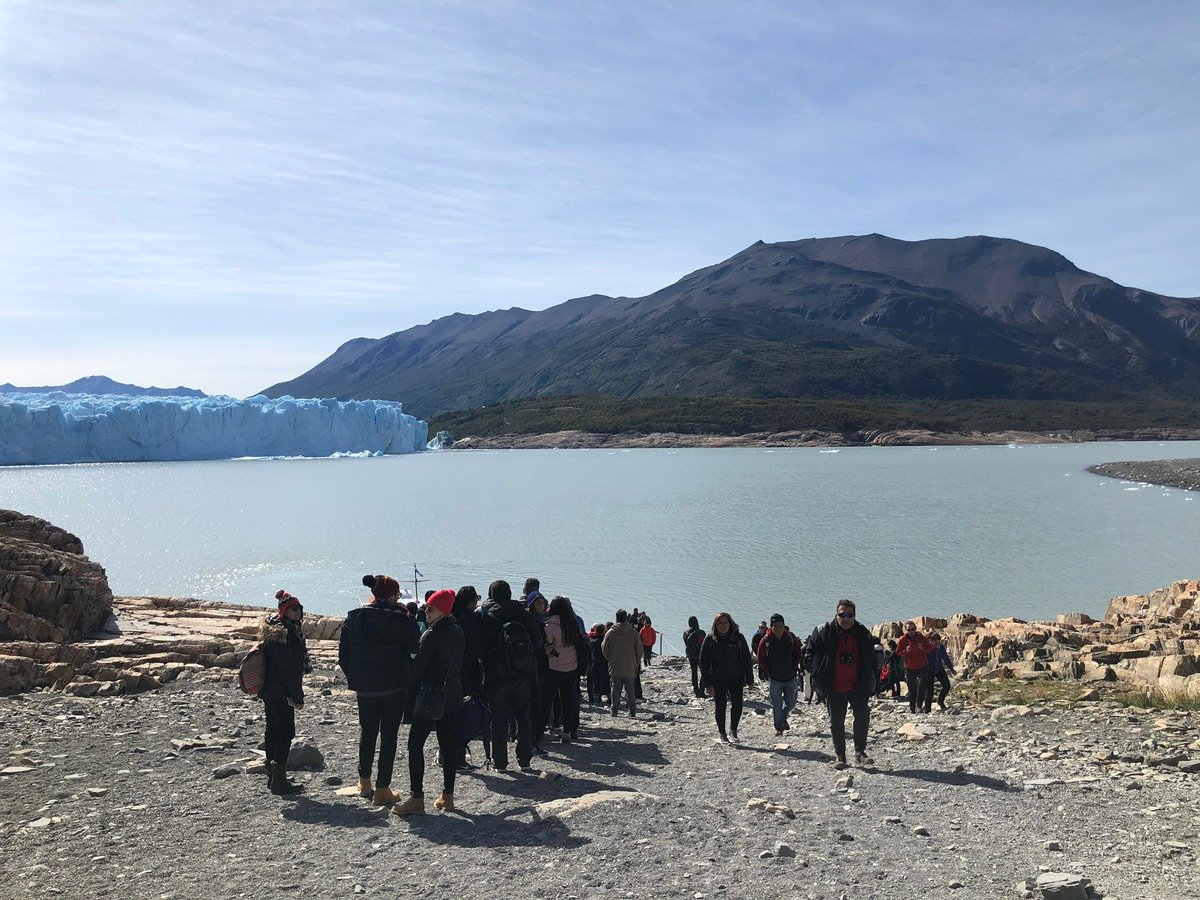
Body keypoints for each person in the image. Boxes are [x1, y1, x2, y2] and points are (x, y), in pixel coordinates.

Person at [338, 575, 420, 805]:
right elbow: (416, 644)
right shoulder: (399, 618)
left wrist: (356, 678)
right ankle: (382, 788)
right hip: (394, 686)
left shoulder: (354, 618)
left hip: (365, 688)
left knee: (368, 732)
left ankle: (364, 782)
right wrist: (409, 617)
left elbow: (343, 655)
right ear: (394, 596)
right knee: (389, 736)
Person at [394, 589, 464, 816]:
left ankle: (416, 798)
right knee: (448, 746)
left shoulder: (431, 635)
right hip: (452, 695)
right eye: (426, 607)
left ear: (442, 610)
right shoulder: (458, 632)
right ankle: (448, 796)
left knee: (415, 745)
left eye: (430, 608)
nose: (425, 611)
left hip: (430, 698)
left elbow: (417, 672)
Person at [808, 598, 877, 769]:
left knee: (862, 717)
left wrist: (872, 682)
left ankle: (860, 752)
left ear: (854, 615)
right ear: (836, 614)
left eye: (849, 615)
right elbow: (810, 654)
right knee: (836, 722)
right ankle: (840, 756)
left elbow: (871, 658)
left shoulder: (862, 632)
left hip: (858, 685)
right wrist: (817, 676)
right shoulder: (824, 631)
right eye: (842, 614)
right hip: (833, 686)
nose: (845, 618)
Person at [479, 579, 540, 772]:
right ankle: (525, 759)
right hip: (522, 675)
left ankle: (500, 762)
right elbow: (538, 641)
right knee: (523, 717)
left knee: (499, 719)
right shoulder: (524, 614)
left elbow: (482, 649)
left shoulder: (489, 617)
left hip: (497, 677)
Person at [260, 590, 312, 795]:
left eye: (299, 608)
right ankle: (279, 779)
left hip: (269, 689)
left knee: (273, 729)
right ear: (283, 611)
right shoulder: (286, 634)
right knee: (285, 731)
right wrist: (297, 697)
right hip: (280, 690)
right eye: (293, 608)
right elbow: (288, 670)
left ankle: (272, 775)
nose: (297, 611)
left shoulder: (275, 630)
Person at [698, 611, 754, 743]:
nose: (722, 626)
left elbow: (746, 659)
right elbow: (703, 662)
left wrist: (750, 679)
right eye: (719, 623)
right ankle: (722, 733)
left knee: (737, 705)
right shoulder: (710, 639)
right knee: (720, 706)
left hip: (736, 677)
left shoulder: (738, 638)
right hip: (717, 678)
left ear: (730, 624)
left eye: (725, 623)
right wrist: (708, 683)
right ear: (715, 625)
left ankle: (733, 731)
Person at [452, 585, 486, 768]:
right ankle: (457, 756)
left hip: (450, 673)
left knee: (451, 714)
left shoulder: (450, 618)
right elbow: (476, 648)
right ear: (470, 602)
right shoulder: (471, 621)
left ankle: (446, 754)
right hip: (467, 672)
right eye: (475, 600)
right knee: (464, 715)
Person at [755, 613, 804, 737]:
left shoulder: (791, 638)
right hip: (775, 679)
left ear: (784, 625)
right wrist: (769, 670)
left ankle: (782, 719)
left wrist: (794, 666)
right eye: (775, 626)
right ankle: (778, 727)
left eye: (780, 625)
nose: (778, 628)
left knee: (791, 703)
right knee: (776, 705)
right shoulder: (765, 641)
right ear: (771, 627)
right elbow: (761, 658)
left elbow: (798, 651)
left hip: (790, 677)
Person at [542, 595, 582, 743]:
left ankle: (540, 731)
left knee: (547, 699)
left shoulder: (550, 625)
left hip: (554, 667)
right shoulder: (573, 624)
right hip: (571, 667)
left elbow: (546, 647)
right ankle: (568, 731)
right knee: (568, 700)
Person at [601, 608, 642, 717]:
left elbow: (604, 649)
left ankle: (614, 709)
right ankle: (632, 710)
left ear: (616, 618)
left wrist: (610, 659)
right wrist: (636, 662)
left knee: (615, 687)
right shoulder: (633, 632)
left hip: (615, 664)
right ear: (626, 618)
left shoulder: (610, 633)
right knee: (630, 688)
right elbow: (639, 649)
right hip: (630, 664)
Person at [896, 620, 935, 713]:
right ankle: (912, 707)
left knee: (922, 685)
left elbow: (931, 648)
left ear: (916, 628)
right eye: (909, 630)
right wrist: (906, 651)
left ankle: (919, 705)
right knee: (912, 688)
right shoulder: (902, 639)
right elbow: (898, 652)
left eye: (912, 629)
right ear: (905, 630)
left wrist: (922, 648)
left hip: (922, 665)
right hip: (909, 667)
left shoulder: (921, 638)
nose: (911, 631)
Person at [923, 632, 958, 710]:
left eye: (938, 642)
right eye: (935, 642)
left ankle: (940, 701)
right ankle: (927, 709)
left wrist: (952, 669)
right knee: (929, 692)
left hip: (939, 669)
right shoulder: (927, 648)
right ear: (930, 641)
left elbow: (945, 658)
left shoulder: (941, 647)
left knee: (947, 685)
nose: (937, 644)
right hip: (929, 670)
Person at [586, 623, 610, 706]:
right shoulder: (604, 640)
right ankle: (609, 698)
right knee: (606, 680)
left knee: (594, 682)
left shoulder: (590, 639)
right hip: (603, 663)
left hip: (592, 664)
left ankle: (595, 699)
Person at [683, 615, 705, 698]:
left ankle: (696, 690)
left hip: (690, 655)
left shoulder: (685, 632)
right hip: (700, 655)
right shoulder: (701, 633)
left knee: (694, 672)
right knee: (704, 672)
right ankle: (702, 690)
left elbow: (686, 643)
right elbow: (704, 644)